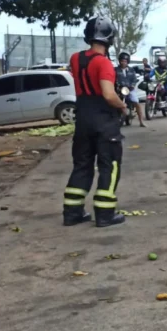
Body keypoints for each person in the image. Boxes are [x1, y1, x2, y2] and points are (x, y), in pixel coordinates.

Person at [62, 17, 127, 228]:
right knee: (110, 165)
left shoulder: (75, 58)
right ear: (109, 39)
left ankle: (72, 212)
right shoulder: (104, 63)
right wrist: (122, 106)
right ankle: (105, 213)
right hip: (103, 121)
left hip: (83, 118)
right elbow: (108, 94)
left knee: (82, 164)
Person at [115, 52, 145, 127]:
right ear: (119, 61)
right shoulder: (115, 70)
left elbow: (134, 79)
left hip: (130, 89)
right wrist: (117, 86)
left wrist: (132, 86)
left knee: (137, 103)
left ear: (127, 61)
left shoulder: (131, 70)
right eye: (122, 61)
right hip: (119, 90)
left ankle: (141, 121)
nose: (123, 62)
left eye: (125, 61)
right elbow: (113, 79)